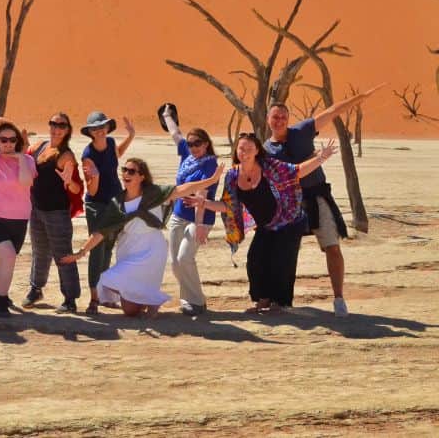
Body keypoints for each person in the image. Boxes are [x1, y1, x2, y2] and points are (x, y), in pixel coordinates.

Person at [265, 84, 383, 316]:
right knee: (285, 252)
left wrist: (360, 96)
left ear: (288, 119)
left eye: (283, 117)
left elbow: (331, 112)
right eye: (275, 117)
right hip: (290, 205)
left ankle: (339, 299)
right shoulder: (266, 148)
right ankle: (281, 300)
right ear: (268, 119)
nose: (279, 120)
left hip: (317, 196)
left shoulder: (302, 131)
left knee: (332, 246)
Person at [60, 158, 225, 318]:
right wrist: (80, 253)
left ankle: (153, 300)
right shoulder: (117, 202)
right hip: (128, 249)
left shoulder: (153, 193)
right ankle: (150, 301)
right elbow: (100, 232)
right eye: (124, 170)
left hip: (152, 248)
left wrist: (211, 180)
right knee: (129, 310)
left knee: (107, 280)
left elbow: (182, 189)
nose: (126, 174)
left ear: (141, 176)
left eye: (131, 171)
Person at [193, 133, 337, 314]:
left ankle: (280, 302)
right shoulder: (232, 175)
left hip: (289, 220)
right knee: (255, 260)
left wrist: (321, 158)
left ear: (257, 151)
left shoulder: (269, 166)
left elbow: (297, 170)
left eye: (249, 149)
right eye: (241, 149)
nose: (244, 152)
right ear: (236, 151)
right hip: (266, 225)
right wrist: (204, 204)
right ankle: (262, 300)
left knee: (282, 261)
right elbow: (228, 205)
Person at [23, 112, 84, 313]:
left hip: (57, 212)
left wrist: (69, 181)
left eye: (61, 125)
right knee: (40, 252)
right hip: (37, 209)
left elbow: (77, 189)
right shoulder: (39, 146)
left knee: (62, 254)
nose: (56, 128)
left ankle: (70, 298)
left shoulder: (66, 155)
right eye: (53, 123)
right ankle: (36, 289)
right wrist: (22, 144)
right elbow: (25, 157)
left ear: (67, 130)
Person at [161, 106, 219, 315]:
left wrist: (200, 225)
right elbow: (176, 134)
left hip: (199, 217)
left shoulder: (210, 164)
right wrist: (167, 115)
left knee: (185, 257)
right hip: (178, 216)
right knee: (175, 263)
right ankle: (188, 299)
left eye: (198, 144)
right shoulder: (187, 154)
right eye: (191, 144)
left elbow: (201, 197)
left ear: (206, 144)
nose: (193, 148)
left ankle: (197, 301)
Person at [0, 117, 37, 318]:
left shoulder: (27, 160)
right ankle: (1, 302)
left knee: (7, 260)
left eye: (12, 139)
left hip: (18, 220)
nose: (8, 143)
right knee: (8, 255)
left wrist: (20, 158)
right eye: (3, 139)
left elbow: (26, 183)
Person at [80, 111, 135, 315]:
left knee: (108, 247)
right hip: (97, 206)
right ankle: (94, 298)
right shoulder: (88, 156)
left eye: (102, 126)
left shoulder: (111, 143)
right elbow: (92, 191)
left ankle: (104, 294)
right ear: (90, 132)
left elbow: (117, 154)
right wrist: (94, 178)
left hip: (115, 202)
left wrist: (130, 136)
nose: (99, 130)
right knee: (96, 249)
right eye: (95, 128)